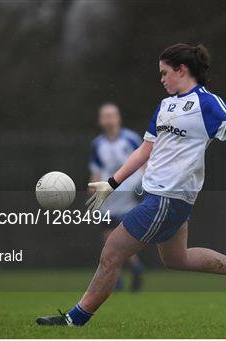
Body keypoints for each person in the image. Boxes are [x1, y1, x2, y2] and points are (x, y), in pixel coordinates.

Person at [37, 43, 226, 327]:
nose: (162, 79)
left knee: (112, 252)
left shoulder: (206, 102)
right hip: (160, 197)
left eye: (165, 73)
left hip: (166, 199)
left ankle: (75, 319)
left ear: (182, 70)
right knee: (177, 258)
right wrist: (112, 183)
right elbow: (145, 150)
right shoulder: (165, 106)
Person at [88, 102, 145, 292]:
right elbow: (96, 171)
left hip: (129, 198)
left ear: (118, 118)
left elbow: (144, 160)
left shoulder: (130, 139)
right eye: (105, 116)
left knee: (120, 240)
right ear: (100, 120)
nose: (109, 119)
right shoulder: (98, 144)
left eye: (112, 115)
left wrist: (143, 186)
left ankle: (132, 269)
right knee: (108, 239)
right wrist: (93, 189)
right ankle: (121, 278)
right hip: (108, 200)